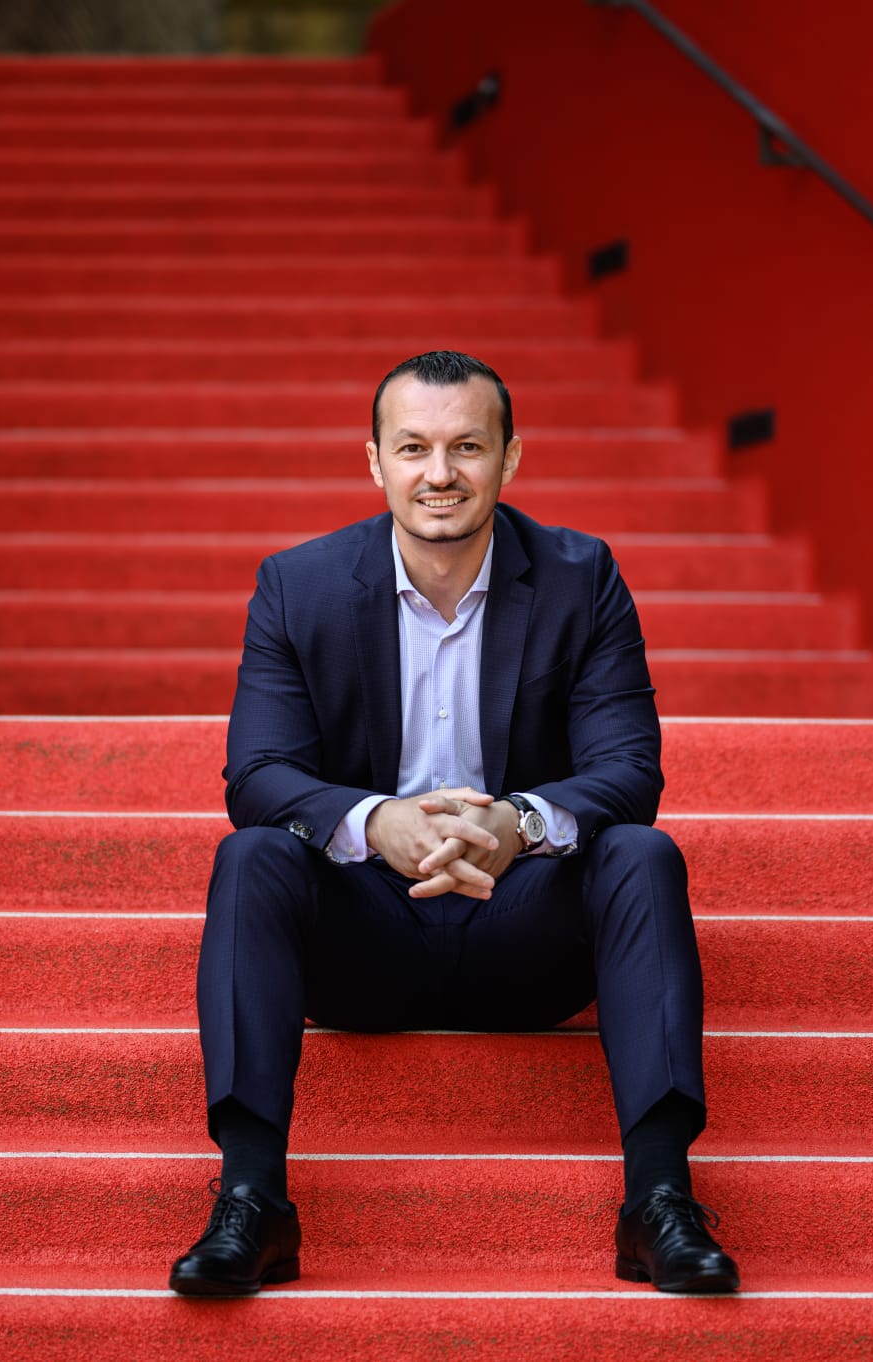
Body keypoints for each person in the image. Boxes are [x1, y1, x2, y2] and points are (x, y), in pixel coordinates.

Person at [169, 350, 738, 1296]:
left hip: (525, 931)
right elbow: (257, 774)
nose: (440, 473)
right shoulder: (299, 585)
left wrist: (521, 823)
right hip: (362, 938)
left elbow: (629, 770)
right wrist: (373, 821)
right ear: (374, 462)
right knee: (252, 857)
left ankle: (659, 1199)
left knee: (642, 854)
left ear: (509, 458)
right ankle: (251, 1199)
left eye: (467, 447)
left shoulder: (581, 577)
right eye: (413, 449)